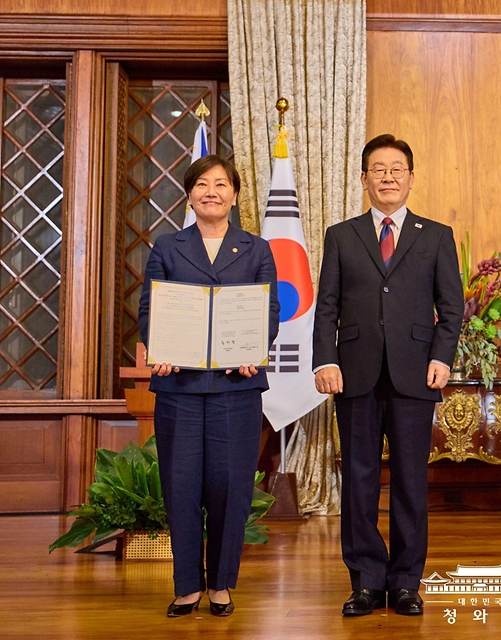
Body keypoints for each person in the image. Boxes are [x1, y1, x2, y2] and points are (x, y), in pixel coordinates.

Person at [313, 134, 463, 617]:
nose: (388, 177)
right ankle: (365, 581)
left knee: (409, 481)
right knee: (357, 480)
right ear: (363, 179)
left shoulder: (436, 235)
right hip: (353, 374)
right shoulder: (342, 234)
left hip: (416, 374)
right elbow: (327, 307)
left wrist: (442, 357)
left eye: (397, 169)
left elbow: (452, 307)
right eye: (378, 169)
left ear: (411, 178)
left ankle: (404, 582)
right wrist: (324, 359)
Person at [138, 154, 280, 617]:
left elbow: (269, 313)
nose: (211, 191)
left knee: (228, 486)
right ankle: (185, 587)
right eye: (202, 184)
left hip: (235, 390)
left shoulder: (256, 249)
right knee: (180, 486)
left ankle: (220, 584)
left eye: (221, 184)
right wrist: (158, 347)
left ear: (235, 195)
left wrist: (252, 348)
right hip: (179, 389)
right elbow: (150, 311)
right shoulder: (167, 246)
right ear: (190, 194)